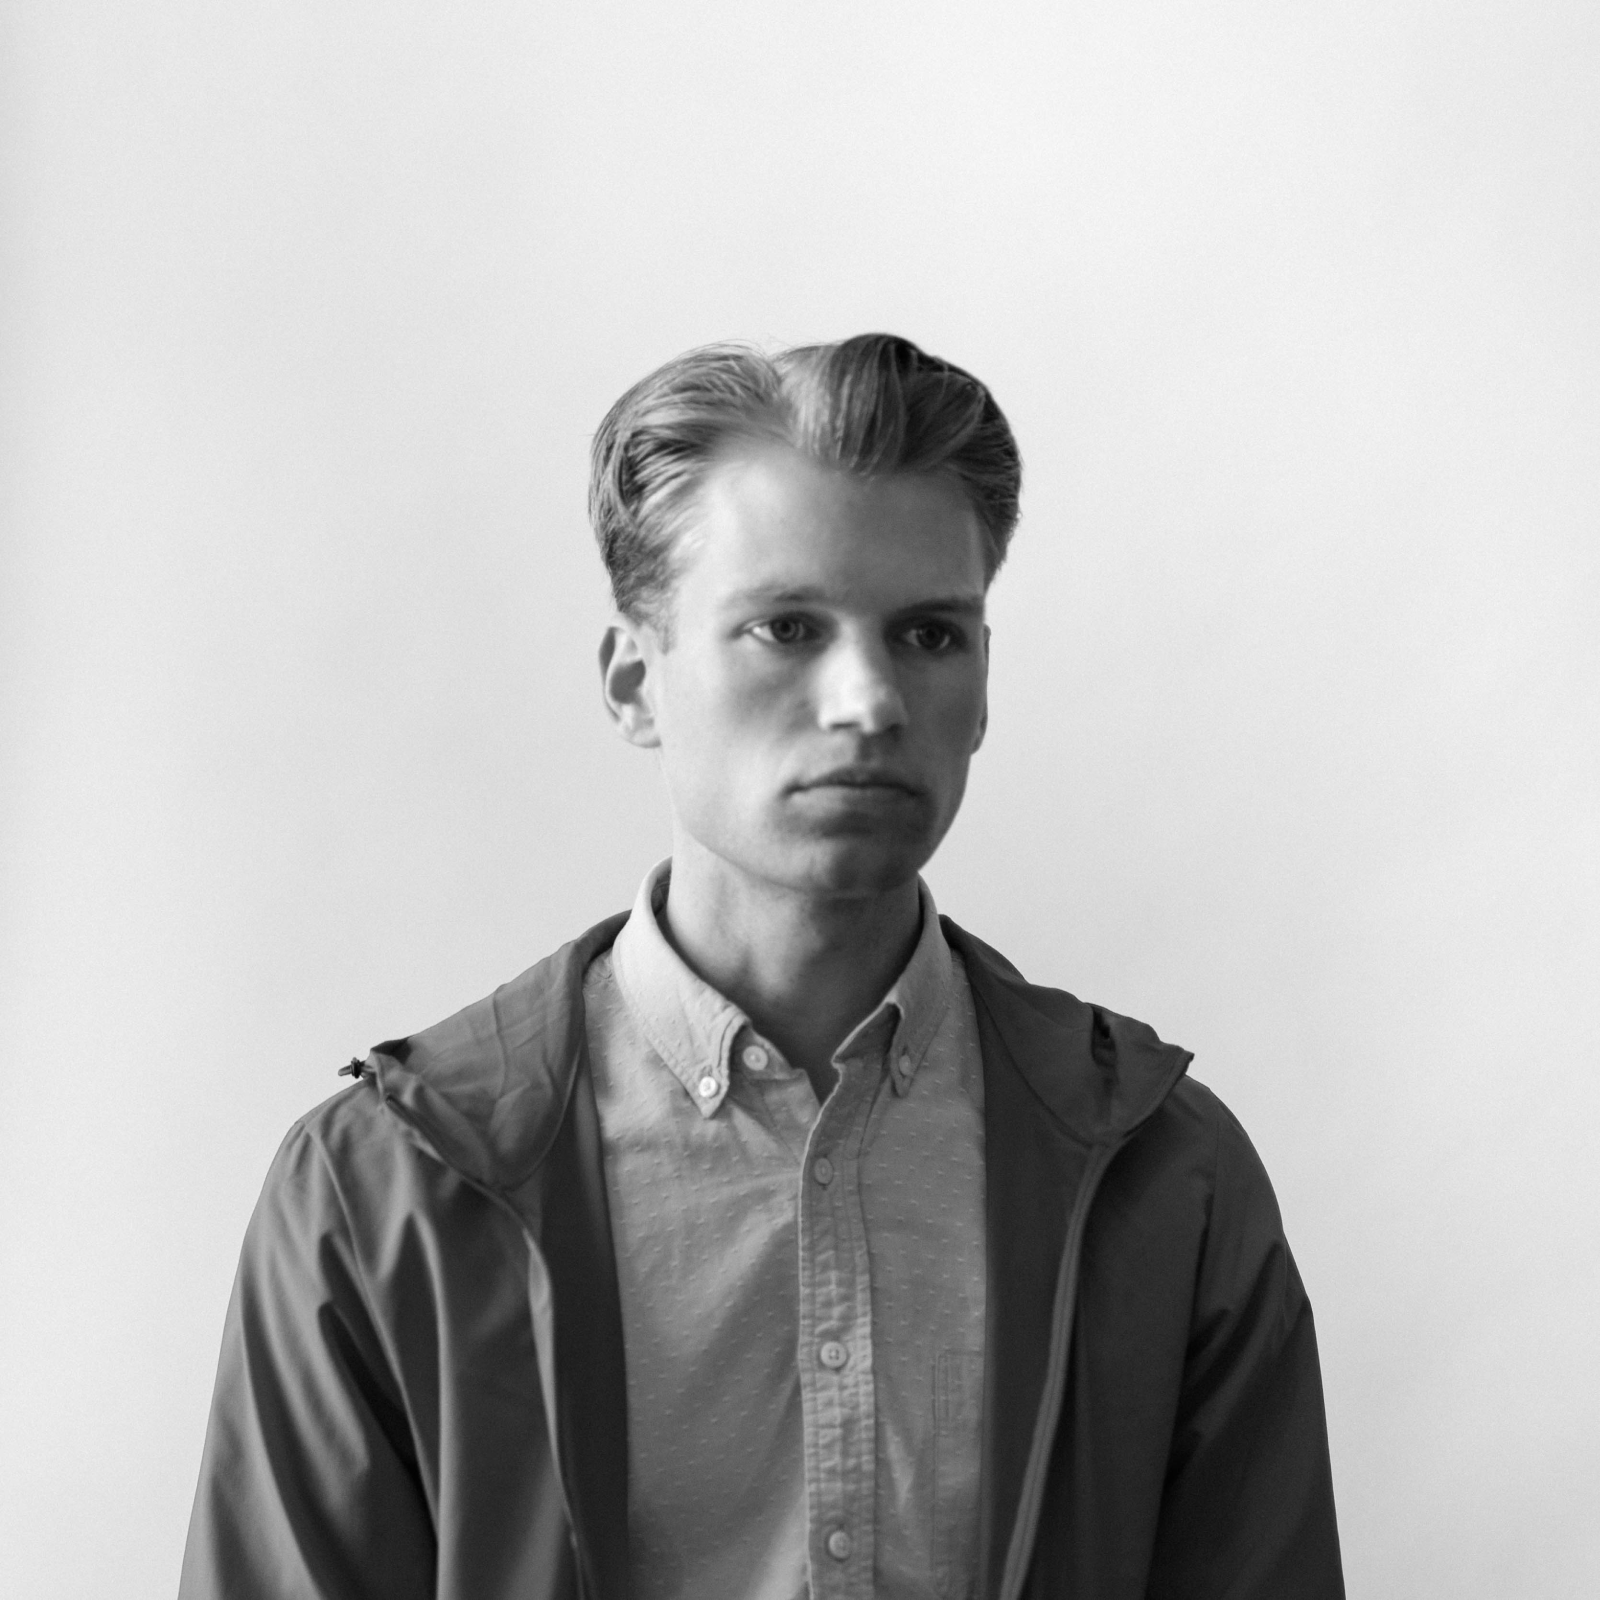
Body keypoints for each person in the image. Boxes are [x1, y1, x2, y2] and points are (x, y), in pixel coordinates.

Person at [179, 334, 1344, 1600]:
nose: (868, 699)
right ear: (635, 682)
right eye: (786, 627)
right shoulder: (383, 1191)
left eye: (928, 636)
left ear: (984, 683)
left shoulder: (1168, 1181)